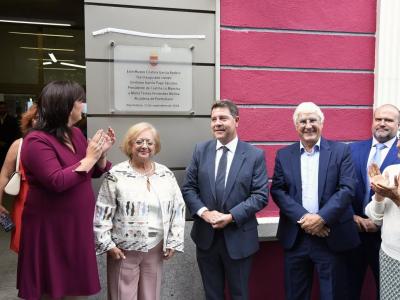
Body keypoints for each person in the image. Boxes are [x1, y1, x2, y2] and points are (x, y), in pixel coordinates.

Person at [17, 80, 116, 300]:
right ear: (65, 106)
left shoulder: (76, 135)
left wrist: (101, 155)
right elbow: (57, 181)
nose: (83, 104)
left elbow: (92, 172)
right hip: (50, 229)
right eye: (80, 100)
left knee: (75, 289)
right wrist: (90, 157)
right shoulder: (36, 140)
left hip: (76, 227)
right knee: (50, 290)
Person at [271, 102, 360, 300]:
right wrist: (306, 219)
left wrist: (321, 218)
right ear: (296, 126)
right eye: (303, 121)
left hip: (332, 236)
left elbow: (347, 189)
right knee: (296, 295)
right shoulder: (284, 155)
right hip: (296, 237)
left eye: (313, 120)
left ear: (322, 123)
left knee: (333, 294)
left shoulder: (341, 151)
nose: (308, 125)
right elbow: (278, 190)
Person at [182, 100, 268, 300]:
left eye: (223, 118)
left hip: (239, 238)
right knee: (212, 295)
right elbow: (189, 188)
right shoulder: (200, 150)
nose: (217, 123)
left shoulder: (254, 155)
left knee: (239, 294)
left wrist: (231, 216)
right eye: (213, 119)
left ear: (236, 121)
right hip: (206, 238)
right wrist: (204, 212)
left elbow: (260, 195)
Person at [94, 122, 185, 300]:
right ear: (130, 145)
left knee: (150, 295)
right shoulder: (116, 174)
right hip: (123, 249)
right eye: (139, 142)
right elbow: (103, 211)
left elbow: (178, 208)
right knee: (123, 296)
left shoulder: (166, 174)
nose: (145, 146)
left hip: (156, 247)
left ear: (155, 146)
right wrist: (107, 244)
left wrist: (173, 240)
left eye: (150, 143)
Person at [347, 104, 400, 299]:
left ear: (398, 124)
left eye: (388, 120)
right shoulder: (352, 149)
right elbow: (338, 187)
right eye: (378, 119)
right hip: (353, 232)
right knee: (348, 289)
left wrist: (376, 221)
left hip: (387, 239)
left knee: (387, 293)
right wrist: (350, 217)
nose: (382, 123)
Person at [0, 104, 38, 252]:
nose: (39, 121)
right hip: (25, 205)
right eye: (36, 118)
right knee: (26, 249)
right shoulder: (19, 145)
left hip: (52, 208)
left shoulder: (60, 143)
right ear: (29, 121)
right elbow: (4, 174)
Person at [366, 142, 400, 300]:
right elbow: (375, 218)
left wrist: (395, 198)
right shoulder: (391, 171)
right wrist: (379, 193)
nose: (398, 144)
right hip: (389, 256)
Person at [0, 101, 21, 167]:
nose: (2, 110)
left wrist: (9, 143)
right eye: (0, 108)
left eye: (3, 108)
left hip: (9, 146)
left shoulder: (12, 120)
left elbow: (16, 133)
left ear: (6, 109)